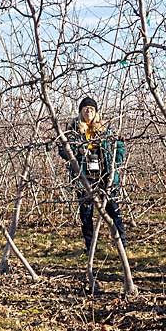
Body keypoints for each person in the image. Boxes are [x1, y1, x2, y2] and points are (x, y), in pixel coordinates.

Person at [59, 97, 127, 253]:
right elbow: (63, 150)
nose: (88, 111)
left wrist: (116, 159)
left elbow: (118, 149)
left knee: (113, 210)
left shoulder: (104, 129)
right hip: (85, 175)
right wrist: (76, 151)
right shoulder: (74, 130)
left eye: (91, 108)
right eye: (85, 108)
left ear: (96, 112)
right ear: (81, 112)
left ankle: (122, 244)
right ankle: (91, 247)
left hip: (104, 174)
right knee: (86, 214)